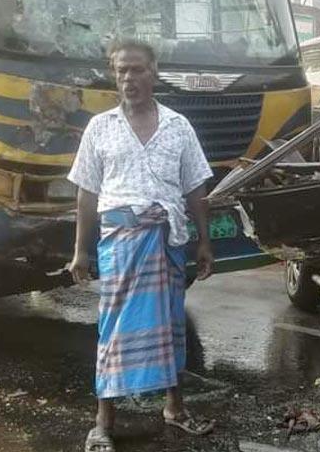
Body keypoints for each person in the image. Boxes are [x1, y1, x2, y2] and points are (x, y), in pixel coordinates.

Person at [68, 39, 216, 452]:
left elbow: (196, 188)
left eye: (136, 69)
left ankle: (175, 408)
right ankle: (103, 423)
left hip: (166, 240)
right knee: (114, 331)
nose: (129, 78)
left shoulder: (178, 126)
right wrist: (81, 249)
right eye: (121, 71)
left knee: (169, 327)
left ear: (154, 73)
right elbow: (86, 194)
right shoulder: (100, 127)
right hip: (120, 243)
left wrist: (205, 242)